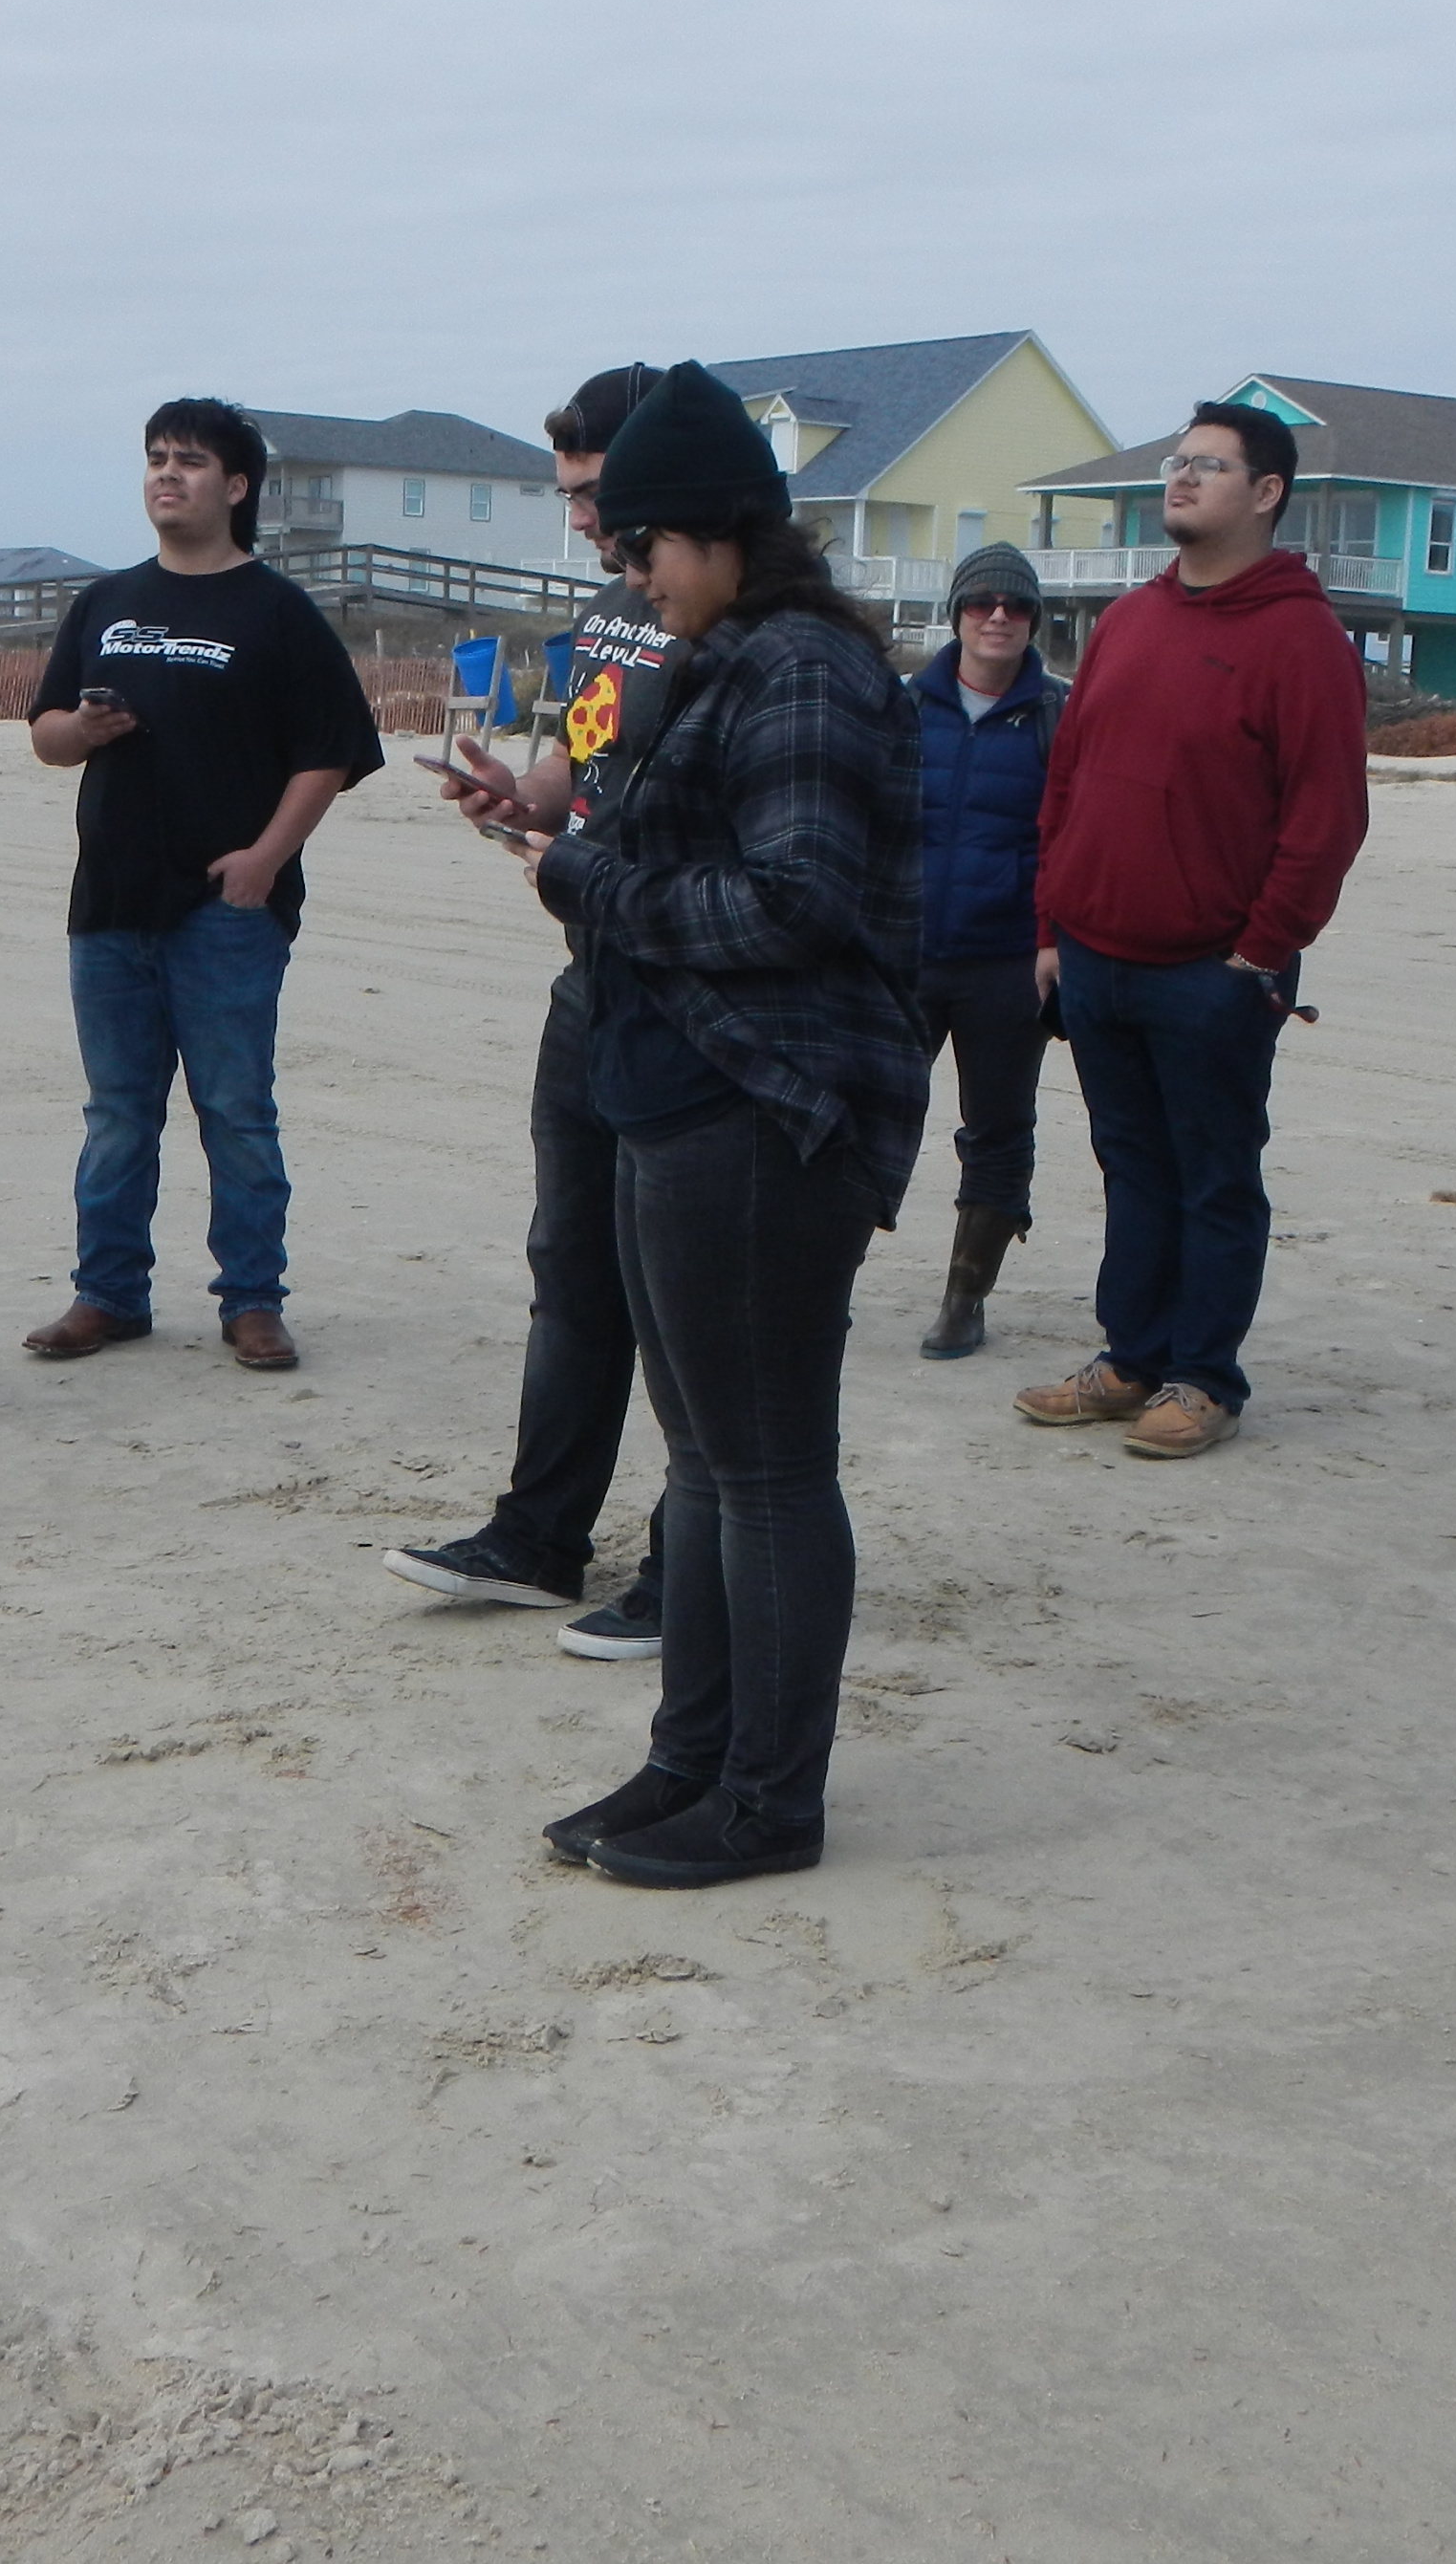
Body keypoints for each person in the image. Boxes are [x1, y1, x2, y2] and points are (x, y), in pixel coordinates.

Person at [512, 362, 926, 1889]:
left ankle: (771, 1801)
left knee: (761, 1471)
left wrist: (589, 879)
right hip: (680, 1090)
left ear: (718, 533)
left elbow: (796, 898)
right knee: (701, 1467)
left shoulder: (800, 667)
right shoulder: (737, 654)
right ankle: (691, 1759)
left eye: (646, 551)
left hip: (769, 1107)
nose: (632, 578)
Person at [382, 365, 683, 1659]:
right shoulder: (615, 614)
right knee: (572, 1274)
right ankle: (537, 1538)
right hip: (594, 982)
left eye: (590, 492)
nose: (576, 517)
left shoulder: (737, 625)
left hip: (695, 1000)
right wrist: (523, 797)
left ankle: (694, 1567)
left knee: (681, 1301)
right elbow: (582, 766)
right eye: (564, 493)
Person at [1012, 402, 1368, 1460]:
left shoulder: (1299, 637)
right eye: (1177, 463)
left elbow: (1325, 817)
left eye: (1207, 467)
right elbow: (1066, 781)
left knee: (1214, 1172)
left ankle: (1204, 1376)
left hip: (1212, 968)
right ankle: (1131, 1357)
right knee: (1130, 1163)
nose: (1180, 480)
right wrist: (1050, 927)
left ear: (1265, 494)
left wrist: (1260, 949)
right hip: (1093, 952)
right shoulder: (1127, 621)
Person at [21, 400, 385, 1373]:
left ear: (235, 487)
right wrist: (81, 733)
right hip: (109, 904)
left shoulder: (276, 612)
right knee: (116, 1112)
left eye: (188, 461)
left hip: (226, 910)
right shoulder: (105, 603)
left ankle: (253, 1301)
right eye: (154, 458)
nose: (166, 474)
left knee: (236, 1110)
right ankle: (108, 1295)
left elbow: (331, 753)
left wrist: (266, 858)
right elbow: (46, 733)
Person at [907, 540, 1067, 1357]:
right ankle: (819, 1282)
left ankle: (966, 1297)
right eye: (981, 603)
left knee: (998, 1128)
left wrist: (1057, 943)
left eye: (1015, 605)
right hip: (906, 955)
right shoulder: (902, 707)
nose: (998, 616)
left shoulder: (1059, 716)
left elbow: (1078, 839)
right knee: (869, 1120)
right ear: (957, 615)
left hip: (1011, 960)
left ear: (1035, 619)